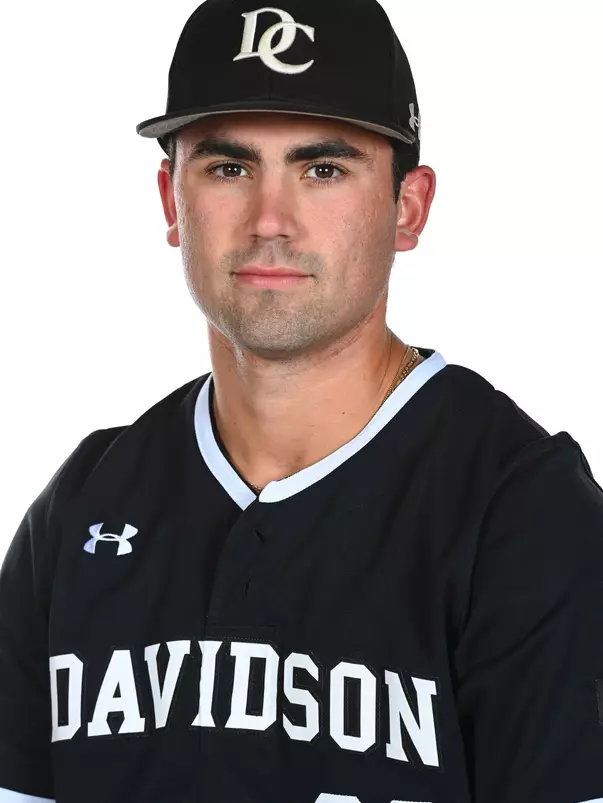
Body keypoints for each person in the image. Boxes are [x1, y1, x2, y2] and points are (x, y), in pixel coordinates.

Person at [1, 0, 603, 801]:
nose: (270, 222)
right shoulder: (84, 500)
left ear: (407, 207)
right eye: (227, 168)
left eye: (323, 169)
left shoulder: (520, 511)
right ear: (169, 202)